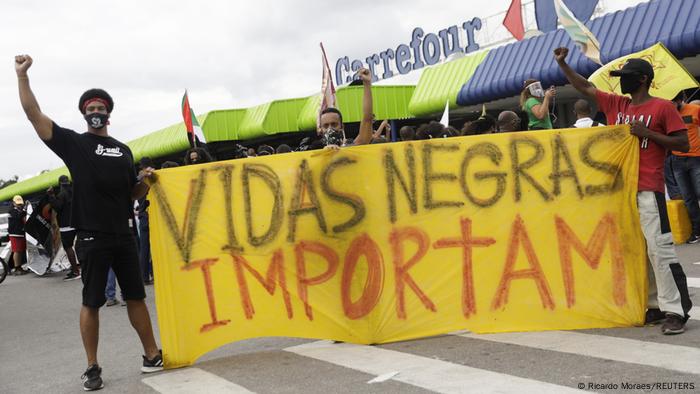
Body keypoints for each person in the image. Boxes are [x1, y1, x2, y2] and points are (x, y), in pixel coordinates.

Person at [16, 54, 163, 391]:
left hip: (125, 237)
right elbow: (33, 114)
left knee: (136, 297)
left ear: (109, 113)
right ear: (84, 113)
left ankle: (151, 355)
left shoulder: (124, 150)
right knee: (91, 302)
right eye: (90, 108)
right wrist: (22, 76)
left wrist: (147, 182)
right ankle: (92, 366)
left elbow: (133, 194)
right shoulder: (75, 144)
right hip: (93, 238)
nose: (96, 112)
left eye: (101, 107)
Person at [554, 46, 693, 335]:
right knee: (637, 251)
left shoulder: (663, 108)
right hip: (622, 192)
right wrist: (563, 64)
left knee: (659, 250)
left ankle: (676, 311)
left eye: (625, 77)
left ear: (642, 79)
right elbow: (585, 87)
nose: (620, 81)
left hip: (649, 189)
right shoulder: (619, 105)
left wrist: (649, 135)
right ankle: (654, 305)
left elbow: (683, 145)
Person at [669, 90, 700, 243]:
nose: (671, 105)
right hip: (677, 160)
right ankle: (697, 231)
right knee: (688, 198)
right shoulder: (666, 114)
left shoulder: (694, 110)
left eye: (673, 102)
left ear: (680, 100)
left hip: (696, 158)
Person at [317, 68, 374, 148]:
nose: (330, 129)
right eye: (326, 126)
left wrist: (367, 84)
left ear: (342, 127)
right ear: (321, 129)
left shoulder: (352, 148)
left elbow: (367, 119)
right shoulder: (312, 152)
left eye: (334, 124)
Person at [48, 175, 80, 280]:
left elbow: (57, 207)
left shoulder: (62, 194)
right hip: (76, 223)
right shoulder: (74, 191)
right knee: (78, 246)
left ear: (60, 183)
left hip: (66, 225)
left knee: (68, 247)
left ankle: (75, 271)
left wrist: (52, 195)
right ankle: (80, 268)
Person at [8, 195, 29, 275]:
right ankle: (17, 268)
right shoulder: (12, 210)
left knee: (20, 251)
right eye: (18, 204)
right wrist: (24, 209)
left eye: (21, 204)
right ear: (13, 203)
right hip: (15, 234)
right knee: (17, 251)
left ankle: (19, 267)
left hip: (20, 233)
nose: (20, 205)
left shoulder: (19, 210)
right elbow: (18, 217)